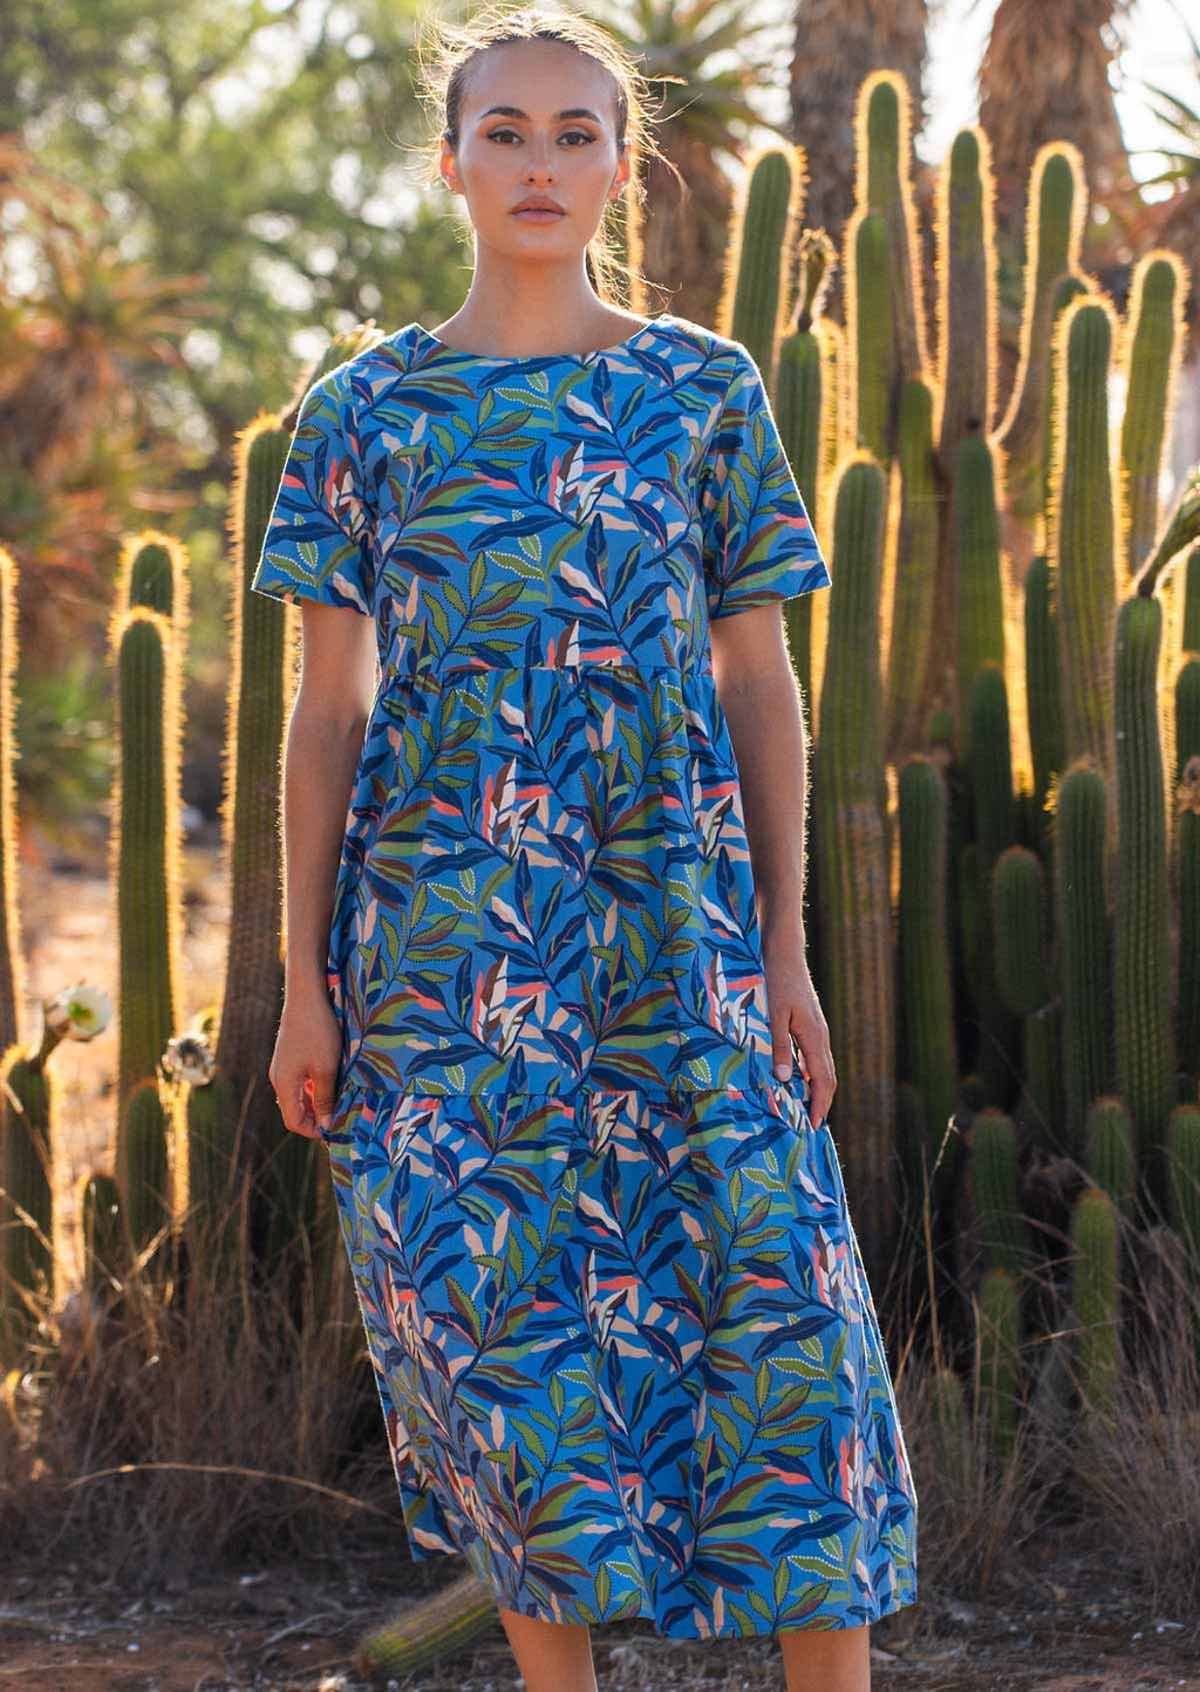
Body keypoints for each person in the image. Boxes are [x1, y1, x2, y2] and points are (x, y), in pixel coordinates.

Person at [251, 6, 918, 1689]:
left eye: (574, 133)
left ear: (625, 164)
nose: (540, 164)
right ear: (452, 159)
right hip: (441, 967)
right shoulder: (363, 412)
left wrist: (788, 945)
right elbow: (326, 719)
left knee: (784, 1340)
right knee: (508, 1357)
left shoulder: (702, 392)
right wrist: (302, 987)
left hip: (678, 945)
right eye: (506, 132)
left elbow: (758, 677)